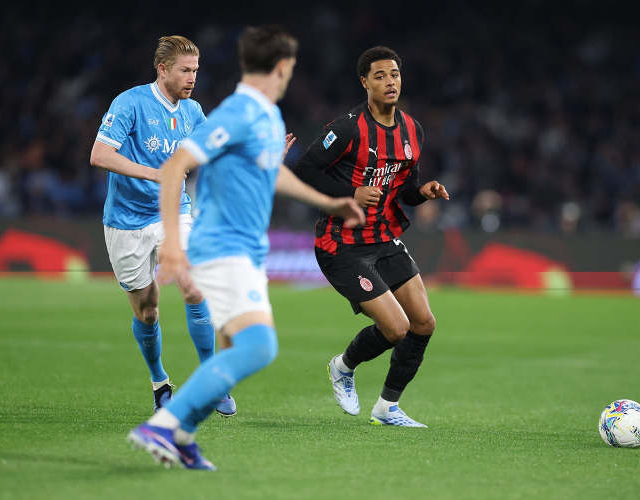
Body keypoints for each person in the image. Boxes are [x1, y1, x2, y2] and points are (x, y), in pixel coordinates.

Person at [126, 25, 365, 470]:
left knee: (236, 346)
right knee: (258, 347)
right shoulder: (239, 112)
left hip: (247, 252)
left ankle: (182, 435)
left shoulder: (266, 115)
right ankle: (164, 425)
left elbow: (272, 171)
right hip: (223, 248)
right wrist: (173, 246)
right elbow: (177, 165)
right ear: (282, 67)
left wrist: (330, 201)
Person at [293, 46, 449, 428]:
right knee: (396, 328)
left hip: (382, 238)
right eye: (380, 76)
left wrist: (422, 191)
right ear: (364, 82)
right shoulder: (347, 128)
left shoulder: (412, 130)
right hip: (341, 244)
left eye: (394, 74)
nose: (390, 82)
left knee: (423, 323)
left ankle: (387, 408)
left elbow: (405, 188)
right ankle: (342, 367)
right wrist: (350, 193)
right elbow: (305, 169)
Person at [90, 36, 236, 417]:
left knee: (193, 285)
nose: (192, 78)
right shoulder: (130, 103)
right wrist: (154, 173)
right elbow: (100, 154)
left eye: (196, 71)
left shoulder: (193, 111)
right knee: (148, 310)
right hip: (125, 221)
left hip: (173, 211)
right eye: (185, 70)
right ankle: (159, 382)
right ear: (163, 69)